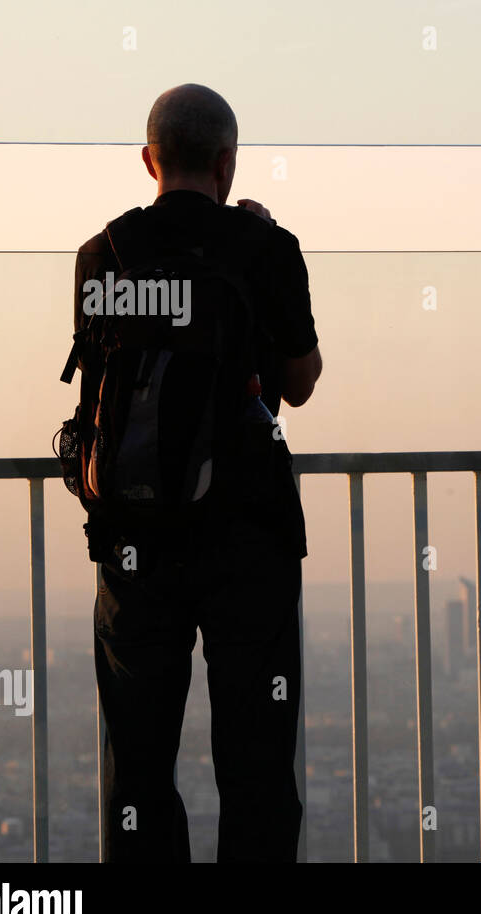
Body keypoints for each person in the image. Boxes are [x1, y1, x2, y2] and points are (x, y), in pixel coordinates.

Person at [72, 83, 323, 861]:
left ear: (149, 158)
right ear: (226, 161)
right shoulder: (265, 250)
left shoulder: (103, 253)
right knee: (255, 770)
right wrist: (263, 243)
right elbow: (302, 380)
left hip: (135, 545)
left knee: (139, 771)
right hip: (247, 539)